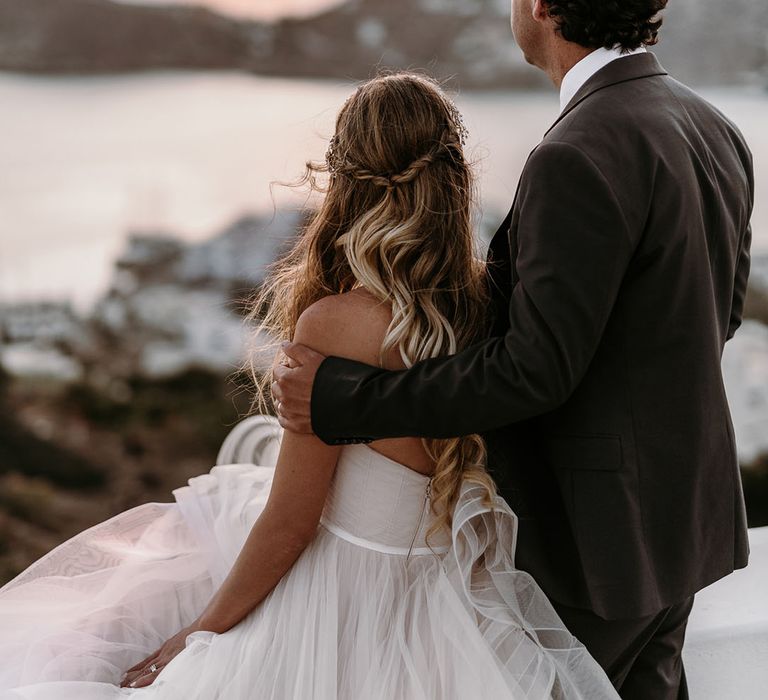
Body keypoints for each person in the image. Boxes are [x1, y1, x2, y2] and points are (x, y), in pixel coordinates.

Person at [0, 73, 618, 699]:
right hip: (442, 599)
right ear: (453, 180)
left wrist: (195, 637)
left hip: (340, 601)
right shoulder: (488, 306)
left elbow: (291, 524)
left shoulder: (336, 322)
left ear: (346, 181)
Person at [273, 2, 755, 699]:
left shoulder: (577, 152)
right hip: (684, 522)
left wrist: (346, 397)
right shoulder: (714, 129)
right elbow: (721, 317)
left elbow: (535, 370)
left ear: (541, 6)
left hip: (594, 545)